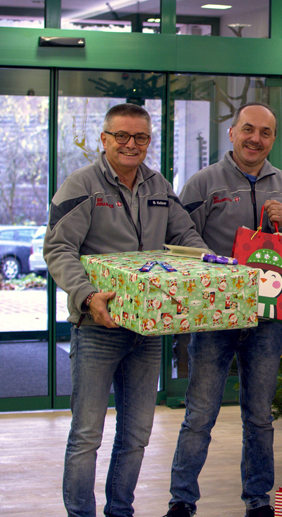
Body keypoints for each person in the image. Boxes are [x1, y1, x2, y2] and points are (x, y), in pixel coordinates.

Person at [44, 103, 211, 517]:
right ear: (104, 139)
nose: (131, 144)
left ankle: (121, 511)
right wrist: (87, 294)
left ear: (148, 141)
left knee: (136, 434)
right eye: (121, 136)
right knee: (87, 435)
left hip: (148, 331)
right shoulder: (81, 185)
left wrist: (212, 266)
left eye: (140, 137)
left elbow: (184, 234)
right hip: (96, 327)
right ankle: (81, 513)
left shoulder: (158, 186)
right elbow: (58, 248)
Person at [165, 103, 282, 517]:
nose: (256, 139)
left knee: (259, 417)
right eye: (248, 130)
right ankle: (182, 500)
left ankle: (258, 500)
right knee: (200, 414)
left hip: (267, 321)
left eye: (265, 133)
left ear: (272, 139)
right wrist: (211, 266)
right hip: (215, 317)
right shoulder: (204, 183)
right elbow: (177, 234)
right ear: (232, 133)